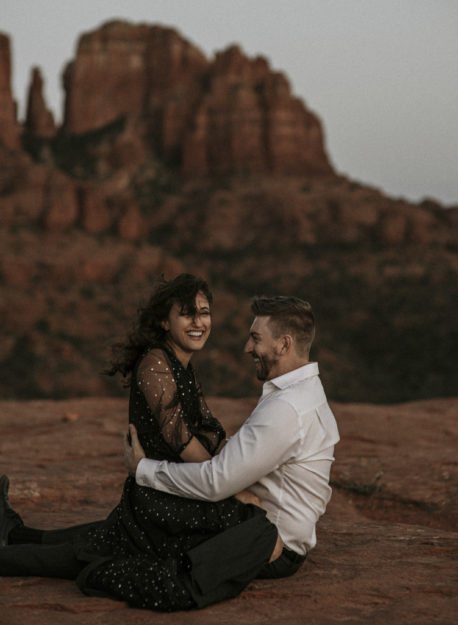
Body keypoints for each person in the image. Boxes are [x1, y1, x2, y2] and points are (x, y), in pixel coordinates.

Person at [0, 274, 281, 611]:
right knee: (86, 553)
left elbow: (212, 431)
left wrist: (217, 457)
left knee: (94, 541)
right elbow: (183, 442)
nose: (198, 322)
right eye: (187, 313)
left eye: (204, 312)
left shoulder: (183, 367)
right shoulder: (156, 363)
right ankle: (10, 547)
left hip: (175, 488)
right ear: (165, 320)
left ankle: (12, 532)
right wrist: (231, 485)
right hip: (160, 498)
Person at [125, 294, 340, 579]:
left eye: (255, 338)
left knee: (145, 524)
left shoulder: (288, 408)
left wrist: (144, 469)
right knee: (145, 521)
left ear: (284, 344)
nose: (247, 347)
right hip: (260, 527)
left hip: (268, 546)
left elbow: (216, 482)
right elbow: (233, 463)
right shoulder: (304, 392)